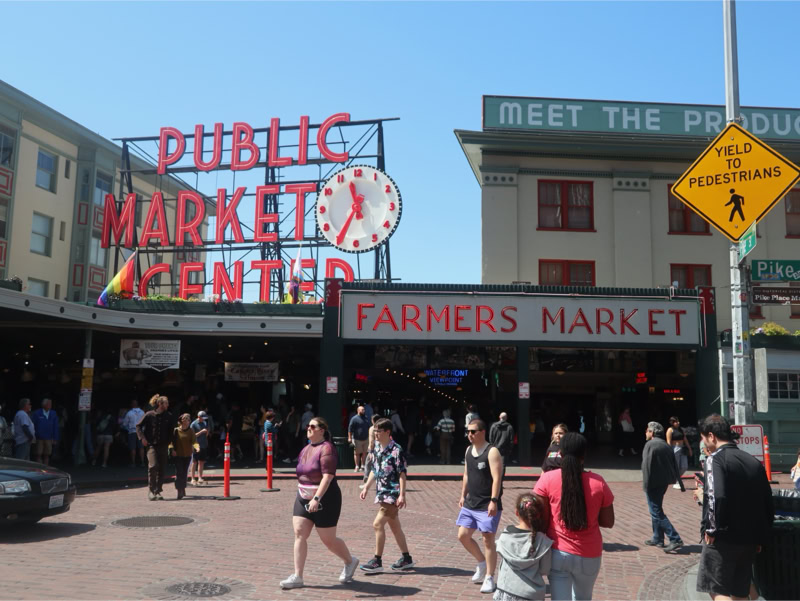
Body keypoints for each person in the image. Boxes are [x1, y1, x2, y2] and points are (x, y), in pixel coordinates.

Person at [696, 414, 774, 601]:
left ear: (711, 436)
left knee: (716, 588)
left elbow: (717, 495)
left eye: (703, 438)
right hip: (750, 537)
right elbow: (766, 500)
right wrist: (761, 536)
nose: (703, 442)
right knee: (740, 591)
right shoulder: (752, 461)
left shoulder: (714, 460)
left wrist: (711, 528)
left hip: (723, 537)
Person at [533, 432, 614, 601]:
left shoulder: (547, 479)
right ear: (584, 455)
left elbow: (540, 520)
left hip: (558, 552)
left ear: (560, 453)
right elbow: (608, 522)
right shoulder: (598, 482)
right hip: (589, 554)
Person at [280, 417, 358, 589]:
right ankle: (297, 576)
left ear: (322, 430)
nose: (308, 428)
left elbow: (328, 477)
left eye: (312, 426)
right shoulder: (305, 449)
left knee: (328, 540)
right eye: (308, 426)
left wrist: (316, 498)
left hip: (326, 499)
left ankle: (349, 561)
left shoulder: (327, 448)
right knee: (299, 532)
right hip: (303, 496)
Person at [358, 417, 415, 572]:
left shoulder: (396, 450)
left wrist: (402, 495)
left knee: (377, 524)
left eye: (379, 431)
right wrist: (366, 487)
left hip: (392, 494)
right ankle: (406, 558)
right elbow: (374, 470)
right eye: (375, 430)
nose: (376, 433)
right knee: (395, 527)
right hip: (381, 493)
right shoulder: (376, 448)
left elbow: (402, 474)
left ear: (387, 432)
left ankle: (377, 561)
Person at [457, 418, 504, 595]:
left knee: (487, 539)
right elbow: (466, 474)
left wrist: (494, 500)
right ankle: (482, 562)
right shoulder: (468, 450)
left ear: (482, 432)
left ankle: (490, 577)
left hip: (487, 503)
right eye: (468, 431)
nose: (469, 435)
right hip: (471, 502)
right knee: (463, 535)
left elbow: (497, 478)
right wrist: (463, 495)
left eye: (473, 431)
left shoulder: (492, 452)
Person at [494, 493, 553, 601]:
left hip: (507, 590)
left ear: (517, 512)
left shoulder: (505, 536)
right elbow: (545, 569)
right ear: (538, 515)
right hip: (532, 594)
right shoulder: (543, 541)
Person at [641, 421, 684, 553]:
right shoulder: (665, 445)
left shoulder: (650, 444)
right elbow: (674, 464)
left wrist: (646, 484)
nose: (646, 432)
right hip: (663, 482)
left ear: (652, 432)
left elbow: (646, 466)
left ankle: (675, 538)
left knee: (656, 511)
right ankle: (657, 538)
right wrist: (679, 481)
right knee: (656, 509)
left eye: (647, 430)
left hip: (653, 482)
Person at [136, 393, 174, 501]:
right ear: (160, 404)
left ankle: (158, 491)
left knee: (162, 468)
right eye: (166, 403)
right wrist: (142, 438)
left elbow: (171, 432)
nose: (168, 405)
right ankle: (151, 490)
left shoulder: (169, 416)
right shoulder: (149, 414)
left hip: (163, 446)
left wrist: (170, 445)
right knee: (153, 466)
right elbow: (138, 426)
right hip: (151, 445)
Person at [170, 413, 198, 500]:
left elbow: (194, 441)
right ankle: (179, 490)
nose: (187, 421)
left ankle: (183, 487)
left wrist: (196, 447)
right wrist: (172, 450)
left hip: (187, 455)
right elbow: (170, 442)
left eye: (188, 420)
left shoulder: (191, 431)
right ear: (181, 421)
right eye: (185, 419)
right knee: (179, 472)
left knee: (184, 473)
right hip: (178, 455)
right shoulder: (176, 430)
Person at [666, 416, 692, 489]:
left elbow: (685, 439)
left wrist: (689, 449)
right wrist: (669, 451)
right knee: (676, 466)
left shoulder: (681, 430)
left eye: (678, 421)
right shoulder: (670, 430)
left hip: (682, 448)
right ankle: (676, 481)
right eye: (676, 421)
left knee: (684, 466)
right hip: (675, 448)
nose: (678, 422)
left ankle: (676, 479)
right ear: (672, 423)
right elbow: (668, 441)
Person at [31, 397, 59, 465]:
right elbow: (32, 425)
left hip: (49, 438)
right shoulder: (37, 413)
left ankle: (45, 468)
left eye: (51, 404)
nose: (50, 405)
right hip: (39, 438)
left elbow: (55, 426)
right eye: (49, 404)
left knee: (47, 454)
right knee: (38, 454)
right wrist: (34, 436)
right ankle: (39, 468)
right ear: (44, 405)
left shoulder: (53, 413)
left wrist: (55, 438)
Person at [121, 399, 145, 467]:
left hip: (132, 432)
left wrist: (127, 428)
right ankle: (142, 462)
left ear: (132, 405)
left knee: (133, 448)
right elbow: (145, 422)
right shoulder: (142, 412)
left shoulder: (129, 413)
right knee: (141, 447)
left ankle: (133, 463)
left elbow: (124, 424)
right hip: (140, 432)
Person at [360, 414, 381, 489]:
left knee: (368, 465)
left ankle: (366, 483)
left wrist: (371, 451)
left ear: (373, 420)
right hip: (382, 448)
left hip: (374, 449)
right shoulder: (383, 427)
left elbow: (371, 441)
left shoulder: (372, 428)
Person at [190, 411, 210, 486]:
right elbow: (192, 436)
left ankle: (200, 477)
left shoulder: (205, 423)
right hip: (196, 445)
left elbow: (206, 433)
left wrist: (207, 432)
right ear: (199, 417)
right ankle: (192, 478)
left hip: (204, 444)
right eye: (203, 418)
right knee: (194, 462)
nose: (204, 419)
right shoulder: (193, 424)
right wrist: (201, 432)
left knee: (201, 462)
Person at [348, 405, 370, 472]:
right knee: (357, 453)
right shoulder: (354, 418)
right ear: (358, 410)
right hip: (357, 438)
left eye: (364, 409)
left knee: (364, 453)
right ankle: (357, 466)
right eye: (362, 410)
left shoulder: (366, 418)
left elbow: (368, 427)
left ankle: (363, 466)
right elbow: (350, 429)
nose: (363, 411)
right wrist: (349, 438)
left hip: (366, 438)